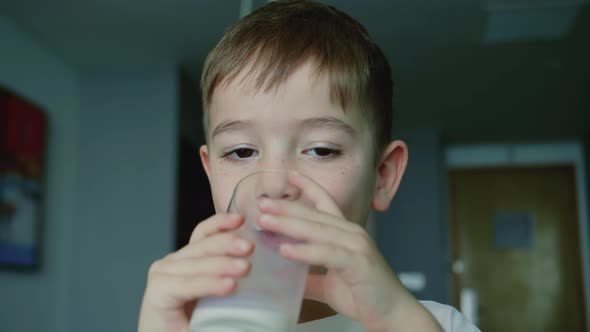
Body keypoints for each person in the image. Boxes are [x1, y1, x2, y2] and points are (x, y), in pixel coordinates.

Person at [138, 1, 480, 331]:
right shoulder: (191, 324)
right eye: (242, 152)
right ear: (210, 172)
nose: (273, 187)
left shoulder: (434, 325)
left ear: (382, 175)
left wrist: (401, 321)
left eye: (320, 150)